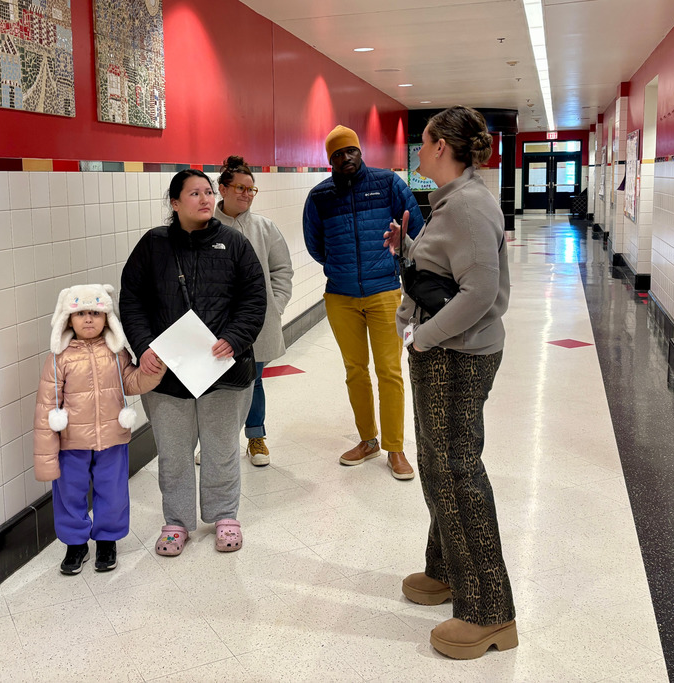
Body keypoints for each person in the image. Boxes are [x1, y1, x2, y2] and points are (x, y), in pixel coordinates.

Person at [385, 106, 516, 659]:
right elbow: (446, 272)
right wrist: (407, 251)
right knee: (441, 464)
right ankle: (444, 569)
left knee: (455, 469)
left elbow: (480, 293)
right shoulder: (452, 203)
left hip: (455, 356)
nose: (417, 151)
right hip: (446, 352)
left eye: (423, 141)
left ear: (440, 145)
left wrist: (423, 338)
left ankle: (490, 612)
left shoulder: (467, 206)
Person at [119, 169, 266, 556]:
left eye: (207, 192)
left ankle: (224, 517)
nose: (204, 199)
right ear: (174, 202)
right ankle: (177, 522)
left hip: (224, 370)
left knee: (221, 448)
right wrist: (144, 346)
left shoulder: (234, 244)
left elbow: (254, 299)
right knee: (174, 450)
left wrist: (234, 338)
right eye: (194, 193)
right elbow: (132, 300)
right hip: (166, 374)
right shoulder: (152, 246)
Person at [303, 124, 424, 480]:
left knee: (389, 371)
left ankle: (395, 448)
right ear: (330, 160)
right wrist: (339, 265)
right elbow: (315, 244)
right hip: (340, 297)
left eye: (350, 151)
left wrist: (392, 261)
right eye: (337, 154)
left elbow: (415, 229)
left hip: (385, 291)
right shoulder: (320, 197)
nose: (345, 158)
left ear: (360, 151)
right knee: (355, 371)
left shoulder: (388, 185)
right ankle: (368, 440)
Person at [33, 284, 165, 575]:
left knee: (113, 491)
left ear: (107, 317)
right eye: (80, 313)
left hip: (112, 438)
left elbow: (130, 382)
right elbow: (46, 407)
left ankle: (107, 540)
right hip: (71, 442)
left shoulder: (116, 353)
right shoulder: (59, 359)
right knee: (69, 493)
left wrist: (152, 372)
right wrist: (45, 457)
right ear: (68, 319)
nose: (89, 319)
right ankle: (75, 543)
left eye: (95, 312)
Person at [215, 155, 294, 466]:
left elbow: (282, 270)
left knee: (253, 380)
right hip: (218, 323)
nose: (246, 194)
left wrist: (275, 304)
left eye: (251, 189)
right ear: (222, 189)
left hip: (258, 321)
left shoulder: (264, 228)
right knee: (217, 385)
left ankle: (256, 437)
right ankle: (216, 440)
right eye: (240, 188)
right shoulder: (206, 227)